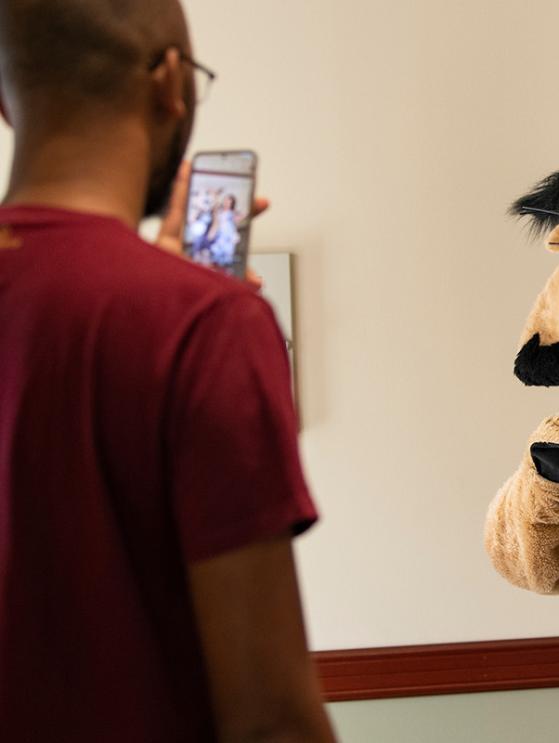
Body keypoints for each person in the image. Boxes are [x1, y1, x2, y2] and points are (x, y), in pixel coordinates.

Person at [0, 1, 335, 740]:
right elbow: (271, 721)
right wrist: (178, 308)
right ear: (171, 82)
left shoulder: (178, 318)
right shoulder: (202, 325)